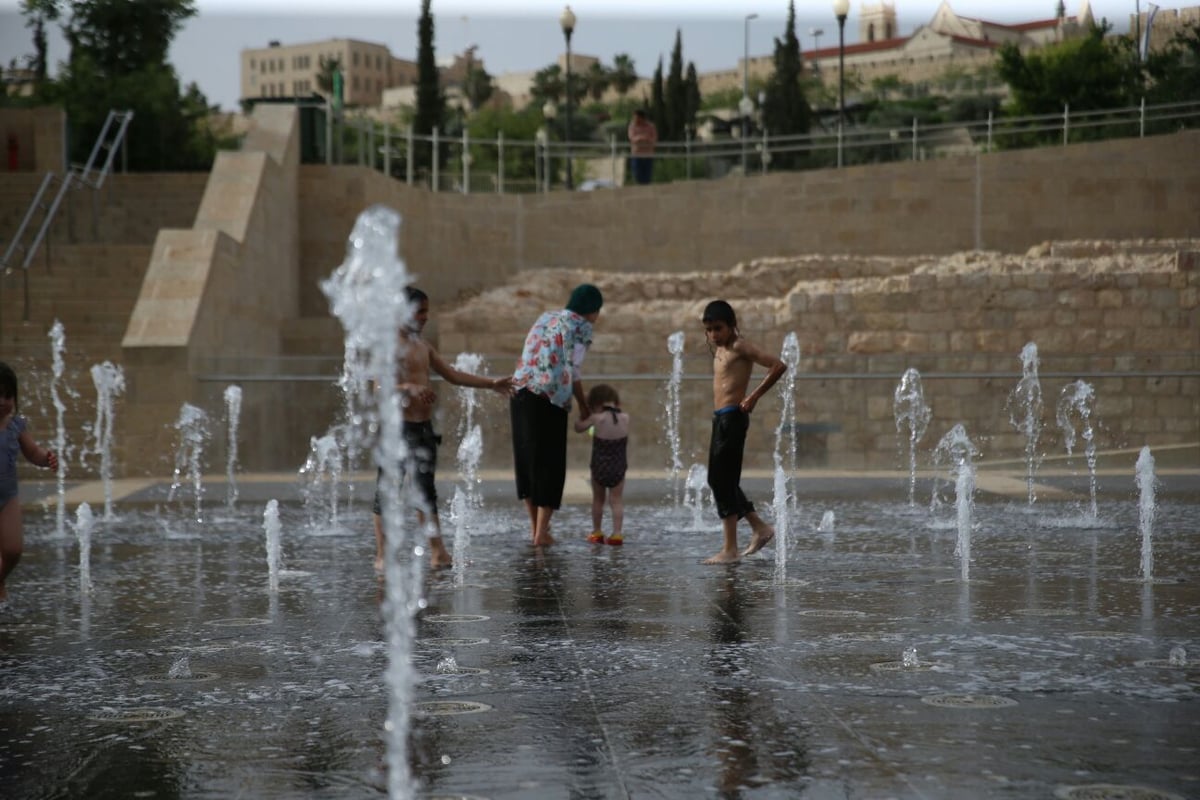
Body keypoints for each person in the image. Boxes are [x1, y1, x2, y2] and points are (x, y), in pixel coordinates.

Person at [373, 287, 513, 571]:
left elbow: (452, 374)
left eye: (426, 310)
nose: (426, 317)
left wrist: (491, 383)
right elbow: (378, 387)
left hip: (422, 428)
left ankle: (438, 553)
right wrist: (408, 388)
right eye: (420, 311)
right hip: (396, 429)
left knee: (425, 491)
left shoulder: (422, 346)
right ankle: (382, 555)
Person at [510, 283, 603, 547]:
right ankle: (542, 534)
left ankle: (535, 530)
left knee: (527, 461)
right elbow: (573, 370)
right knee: (549, 463)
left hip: (520, 392)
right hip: (549, 398)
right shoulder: (582, 326)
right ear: (592, 310)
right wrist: (584, 406)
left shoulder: (546, 317)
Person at [700, 300, 786, 564]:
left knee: (722, 480)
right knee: (720, 480)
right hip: (721, 420)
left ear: (732, 326)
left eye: (718, 328)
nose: (714, 334)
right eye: (709, 329)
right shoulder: (720, 349)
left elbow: (778, 365)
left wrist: (753, 397)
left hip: (733, 419)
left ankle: (730, 548)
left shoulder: (740, 346)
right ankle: (759, 527)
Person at [0, 362, 59, 602]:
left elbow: (33, 452)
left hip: (8, 495)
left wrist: (47, 458)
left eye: (8, 396)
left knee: (13, 551)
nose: (3, 402)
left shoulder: (16, 426)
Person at [574, 383, 629, 546]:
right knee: (616, 500)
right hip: (619, 465)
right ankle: (617, 534)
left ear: (596, 404)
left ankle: (597, 532)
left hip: (599, 466)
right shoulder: (625, 418)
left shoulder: (596, 418)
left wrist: (583, 413)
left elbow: (578, 428)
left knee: (598, 499)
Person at [627, 109, 658, 186]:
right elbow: (632, 138)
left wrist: (644, 139)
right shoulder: (632, 126)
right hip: (637, 155)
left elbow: (653, 139)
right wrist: (643, 138)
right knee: (637, 175)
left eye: (637, 118)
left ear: (642, 118)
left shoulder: (651, 126)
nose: (635, 120)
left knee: (647, 176)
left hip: (648, 155)